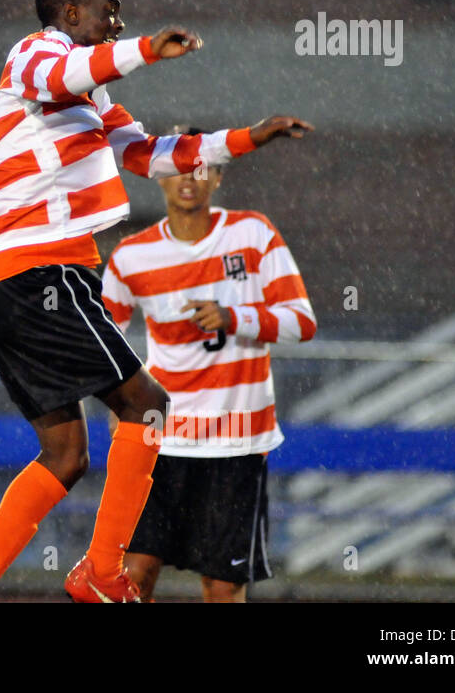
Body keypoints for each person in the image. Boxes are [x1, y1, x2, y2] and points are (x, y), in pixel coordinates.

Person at [0, 0, 312, 603]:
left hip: (5, 280)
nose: (119, 22)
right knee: (149, 407)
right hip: (37, 270)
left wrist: (249, 138)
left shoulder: (90, 95)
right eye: (110, 11)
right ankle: (103, 573)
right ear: (72, 15)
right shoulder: (36, 53)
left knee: (66, 454)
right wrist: (143, 52)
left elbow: (154, 154)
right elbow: (66, 75)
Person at [101, 131, 316, 602]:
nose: (189, 177)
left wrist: (235, 317)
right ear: (158, 175)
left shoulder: (253, 233)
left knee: (222, 584)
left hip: (236, 443)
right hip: (162, 439)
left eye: (202, 167)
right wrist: (118, 402)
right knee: (131, 574)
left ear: (218, 176)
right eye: (178, 165)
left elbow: (302, 323)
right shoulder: (130, 257)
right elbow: (103, 342)